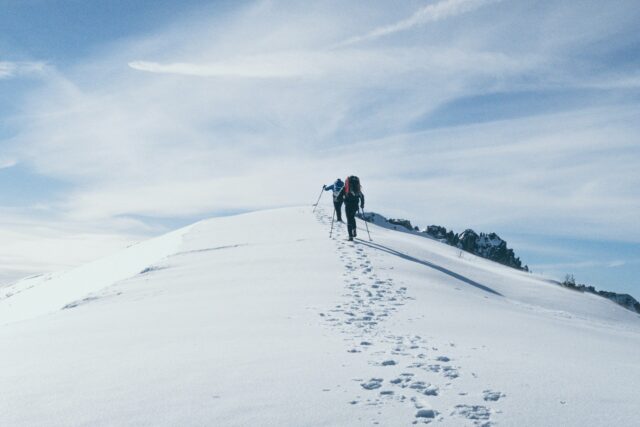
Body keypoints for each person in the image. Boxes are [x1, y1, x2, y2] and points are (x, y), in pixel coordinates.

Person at [337, 176, 364, 241]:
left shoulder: (345, 187)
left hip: (348, 206)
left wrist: (339, 199)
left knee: (349, 219)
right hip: (355, 206)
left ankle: (350, 236)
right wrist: (362, 204)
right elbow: (362, 196)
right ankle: (354, 230)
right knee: (352, 217)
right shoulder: (357, 188)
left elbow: (338, 197)